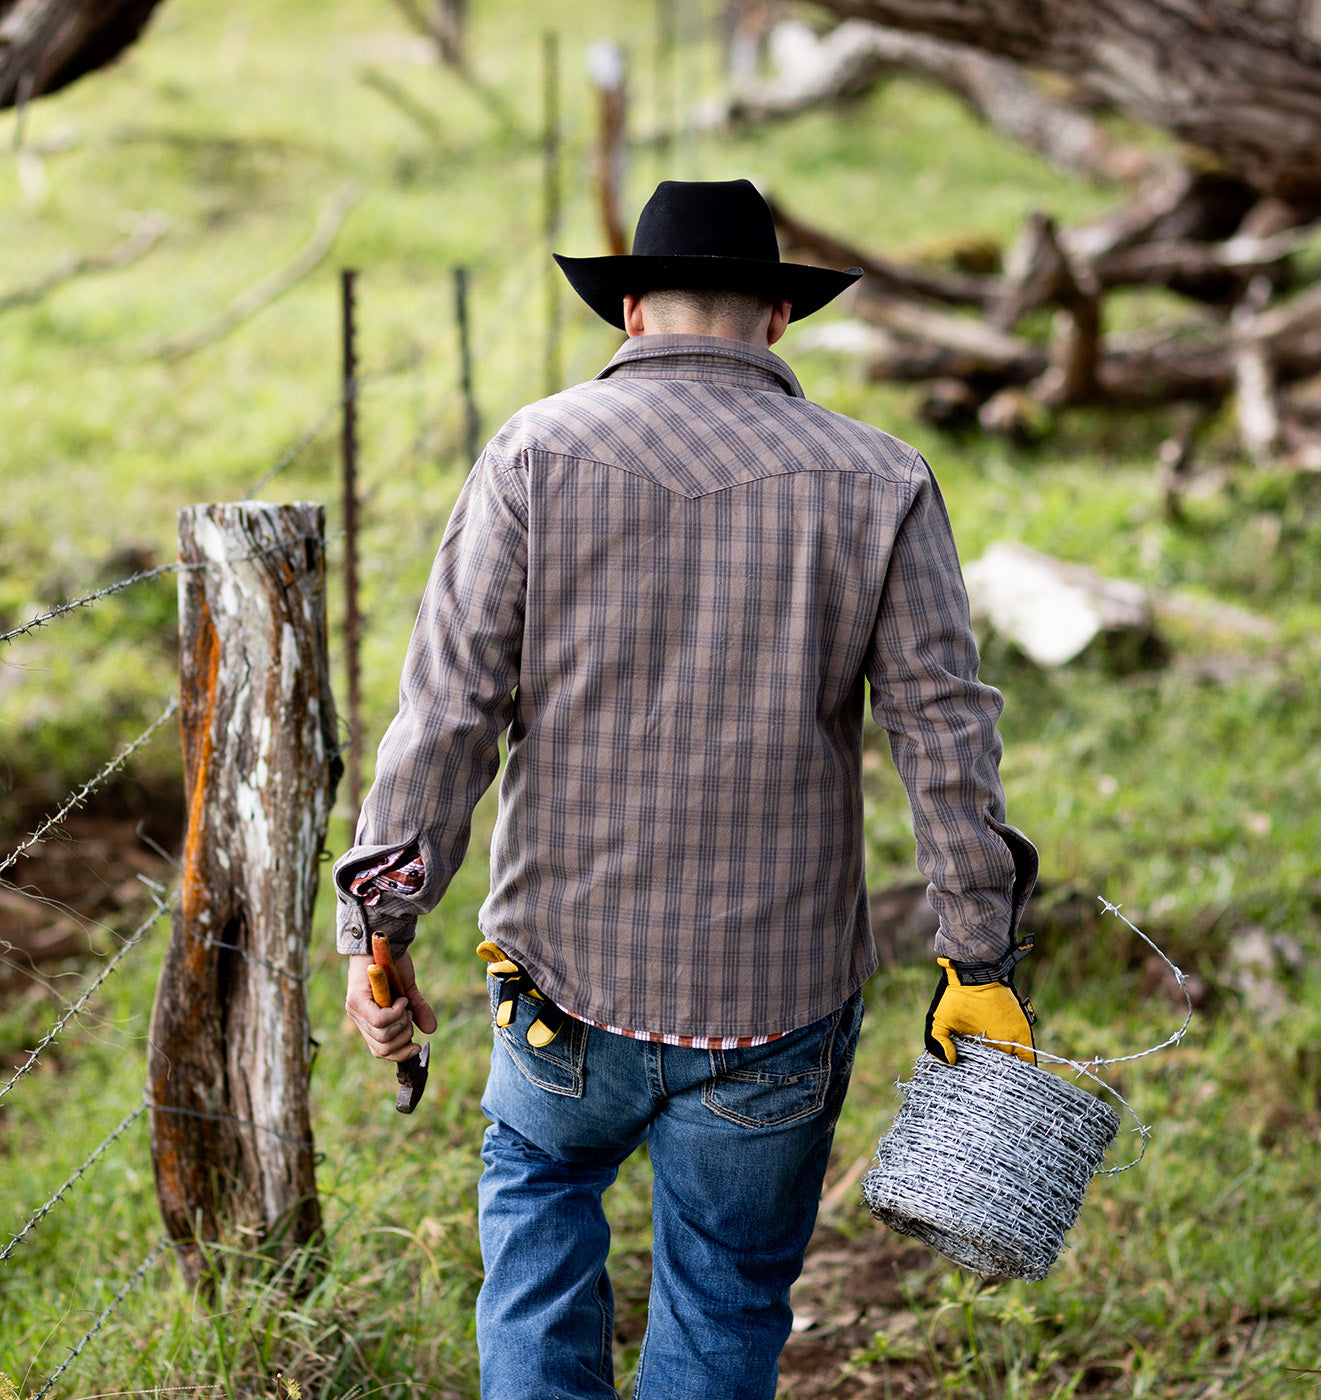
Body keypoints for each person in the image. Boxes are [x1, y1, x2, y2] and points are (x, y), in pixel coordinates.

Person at [336, 178, 1039, 1400]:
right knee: (722, 1290)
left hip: (561, 989)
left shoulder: (531, 455)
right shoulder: (881, 481)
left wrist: (378, 926)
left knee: (539, 1237)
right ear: (777, 318)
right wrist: (978, 958)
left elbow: (445, 715)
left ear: (626, 308)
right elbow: (943, 737)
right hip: (774, 1007)